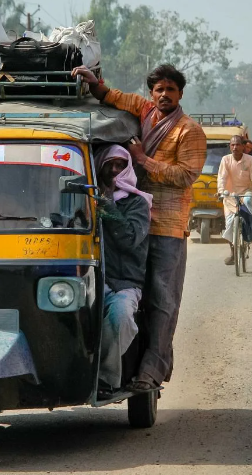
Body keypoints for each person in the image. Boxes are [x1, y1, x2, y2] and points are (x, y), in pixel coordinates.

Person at [72, 63, 206, 390]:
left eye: (170, 90)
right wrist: (94, 83)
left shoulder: (189, 131)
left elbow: (186, 175)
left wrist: (143, 160)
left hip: (166, 227)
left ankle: (150, 372)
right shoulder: (144, 111)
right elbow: (115, 97)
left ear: (180, 94)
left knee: (161, 302)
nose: (163, 95)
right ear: (151, 93)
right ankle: (126, 366)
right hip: (132, 216)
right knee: (130, 297)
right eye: (158, 89)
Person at [95, 145, 152, 397]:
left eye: (121, 165)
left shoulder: (137, 203)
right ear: (101, 167)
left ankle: (104, 377)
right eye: (110, 165)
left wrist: (107, 205)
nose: (115, 170)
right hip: (90, 281)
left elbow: (129, 238)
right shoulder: (86, 198)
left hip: (124, 283)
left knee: (121, 318)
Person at [218, 135, 252, 264]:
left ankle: (249, 231)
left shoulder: (249, 160)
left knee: (249, 203)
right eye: (232, 145)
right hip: (230, 196)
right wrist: (221, 191)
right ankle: (233, 253)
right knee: (230, 225)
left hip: (246, 194)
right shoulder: (225, 160)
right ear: (230, 146)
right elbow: (222, 177)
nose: (235, 147)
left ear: (243, 147)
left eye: (237, 145)